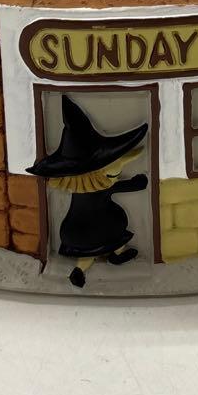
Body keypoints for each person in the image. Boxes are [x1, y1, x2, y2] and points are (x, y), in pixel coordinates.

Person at [27, 95, 148, 288]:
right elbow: (121, 186)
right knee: (115, 237)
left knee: (87, 254)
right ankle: (117, 255)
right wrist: (137, 183)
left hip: (76, 231)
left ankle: (79, 270)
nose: (114, 178)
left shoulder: (78, 187)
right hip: (103, 227)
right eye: (112, 175)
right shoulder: (102, 188)